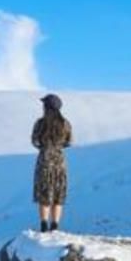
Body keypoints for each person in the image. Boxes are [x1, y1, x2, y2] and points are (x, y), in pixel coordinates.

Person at [31, 93, 73, 232]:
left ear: (46, 107)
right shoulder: (65, 124)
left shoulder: (40, 123)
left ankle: (43, 225)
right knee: (58, 195)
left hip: (44, 161)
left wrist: (45, 147)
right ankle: (55, 226)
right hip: (59, 162)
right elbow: (69, 142)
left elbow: (35, 141)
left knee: (44, 195)